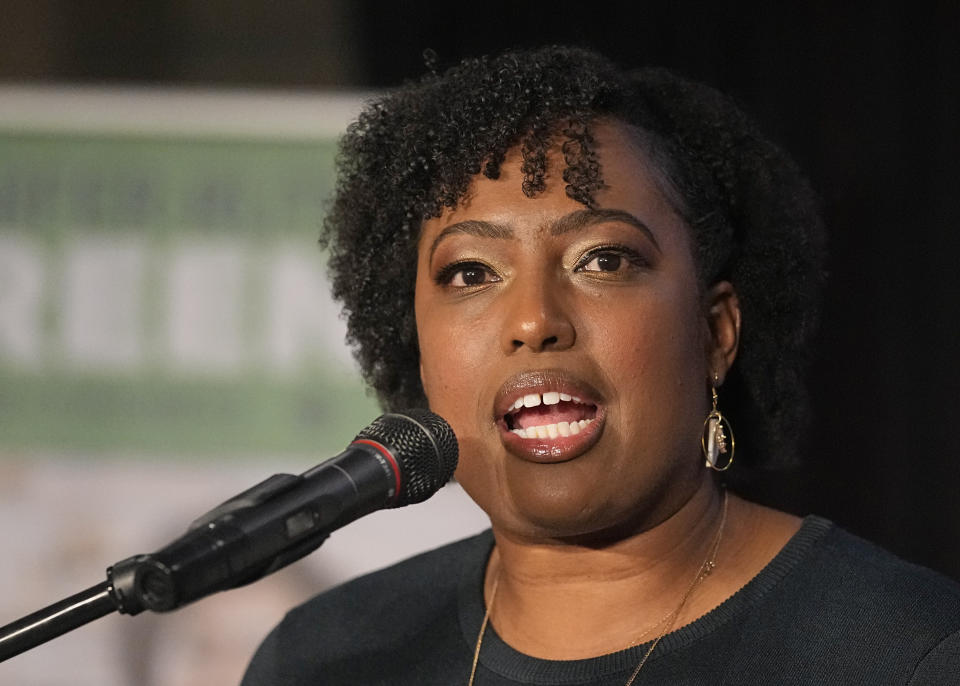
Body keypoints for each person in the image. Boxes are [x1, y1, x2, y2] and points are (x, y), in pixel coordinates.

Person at [241, 46, 960, 685]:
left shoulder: (905, 653)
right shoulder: (323, 658)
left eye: (603, 260)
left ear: (715, 333)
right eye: (470, 273)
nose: (533, 321)